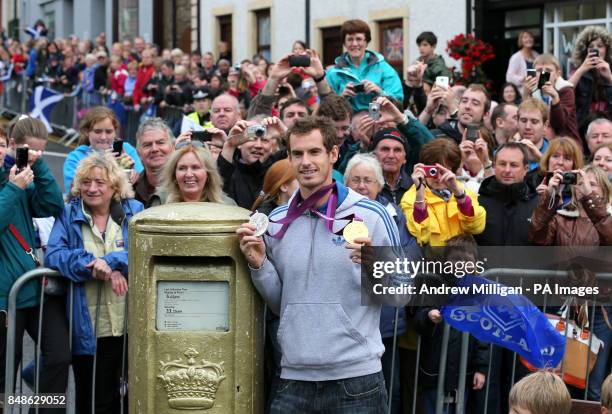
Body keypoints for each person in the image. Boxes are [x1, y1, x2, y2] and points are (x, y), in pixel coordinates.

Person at [236, 116, 405, 413]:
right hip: (293, 377)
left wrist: (371, 266)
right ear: (288, 157)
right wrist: (259, 264)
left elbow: (400, 294)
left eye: (314, 152)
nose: (306, 162)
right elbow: (281, 304)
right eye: (297, 154)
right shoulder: (276, 222)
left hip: (356, 380)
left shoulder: (373, 215)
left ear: (333, 154)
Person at [45, 152, 143, 413]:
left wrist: (113, 262)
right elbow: (55, 255)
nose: (92, 188)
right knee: (93, 400)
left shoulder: (135, 211)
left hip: (128, 323)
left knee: (129, 399)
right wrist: (92, 266)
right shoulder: (69, 214)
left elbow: (145, 250)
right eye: (86, 182)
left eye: (100, 182)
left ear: (114, 185)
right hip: (89, 326)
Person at [0, 117, 69, 411]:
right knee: (4, 374)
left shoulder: (21, 177)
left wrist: (39, 167)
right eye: (26, 151)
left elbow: (52, 206)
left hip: (33, 290)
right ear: (14, 146)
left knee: (59, 355)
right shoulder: (13, 183)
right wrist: (14, 188)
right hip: (5, 299)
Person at [344, 153, 414, 414]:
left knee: (387, 391)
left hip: (384, 320)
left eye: (368, 180)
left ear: (380, 185)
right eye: (356, 180)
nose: (361, 186)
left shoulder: (393, 217)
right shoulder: (334, 215)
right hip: (346, 323)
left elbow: (408, 257)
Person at [413, 235, 488, 414]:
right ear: (446, 261)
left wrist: (481, 369)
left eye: (467, 261)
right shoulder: (434, 284)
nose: (461, 265)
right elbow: (418, 318)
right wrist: (428, 316)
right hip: (434, 371)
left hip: (465, 374)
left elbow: (483, 336)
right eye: (455, 260)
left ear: (475, 263)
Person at [400, 138, 486, 246]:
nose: (438, 177)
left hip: (461, 259)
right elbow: (421, 236)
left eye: (443, 171)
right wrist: (420, 195)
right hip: (431, 261)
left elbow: (477, 227)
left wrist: (460, 196)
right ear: (423, 168)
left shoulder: (464, 193)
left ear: (452, 170)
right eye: (433, 171)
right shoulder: (411, 198)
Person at [326, 19, 403, 112]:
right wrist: (342, 97)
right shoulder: (333, 73)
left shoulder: (383, 68)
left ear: (366, 42)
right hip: (348, 124)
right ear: (344, 43)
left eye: (359, 39)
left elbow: (399, 101)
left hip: (380, 120)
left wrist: (380, 92)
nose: (354, 44)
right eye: (350, 39)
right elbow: (327, 109)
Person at [63, 107, 143, 192]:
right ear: (87, 131)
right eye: (97, 132)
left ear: (115, 132)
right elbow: (73, 192)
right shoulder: (75, 158)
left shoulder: (125, 149)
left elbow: (144, 180)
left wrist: (134, 173)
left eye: (108, 132)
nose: (103, 137)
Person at [475, 142, 538, 246]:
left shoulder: (538, 205)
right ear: (494, 166)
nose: (507, 170)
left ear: (526, 169)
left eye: (514, 165)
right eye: (502, 164)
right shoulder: (479, 203)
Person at [218, 116, 286, 209]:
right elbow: (217, 185)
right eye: (252, 139)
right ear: (239, 144)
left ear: (272, 147)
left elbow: (299, 152)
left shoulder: (279, 166)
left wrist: (284, 133)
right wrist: (229, 145)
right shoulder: (230, 169)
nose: (258, 145)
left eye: (264, 140)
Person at [523, 53, 580, 142]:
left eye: (548, 70)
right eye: (539, 70)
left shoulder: (566, 90)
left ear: (557, 74)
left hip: (566, 140)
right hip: (539, 140)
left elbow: (559, 123)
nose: (543, 73)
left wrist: (555, 99)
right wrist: (525, 94)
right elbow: (525, 117)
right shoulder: (532, 91)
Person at [155, 142, 233, 205]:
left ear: (208, 174)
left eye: (195, 167)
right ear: (174, 175)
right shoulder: (160, 202)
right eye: (182, 168)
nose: (189, 174)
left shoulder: (227, 205)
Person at [569, 25, 612, 129]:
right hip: (584, 128)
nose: (595, 49)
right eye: (591, 47)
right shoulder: (579, 71)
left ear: (607, 50)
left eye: (600, 46)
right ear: (585, 51)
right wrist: (582, 69)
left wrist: (610, 77)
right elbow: (565, 92)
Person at [134, 118, 175, 207]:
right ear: (138, 153)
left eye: (160, 142)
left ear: (173, 147)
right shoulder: (130, 190)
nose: (154, 149)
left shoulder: (185, 185)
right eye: (147, 145)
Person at [516, 98, 549, 171]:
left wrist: (542, 159)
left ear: (545, 125)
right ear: (517, 122)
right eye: (523, 120)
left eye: (534, 122)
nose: (527, 126)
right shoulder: (504, 152)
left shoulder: (556, 154)